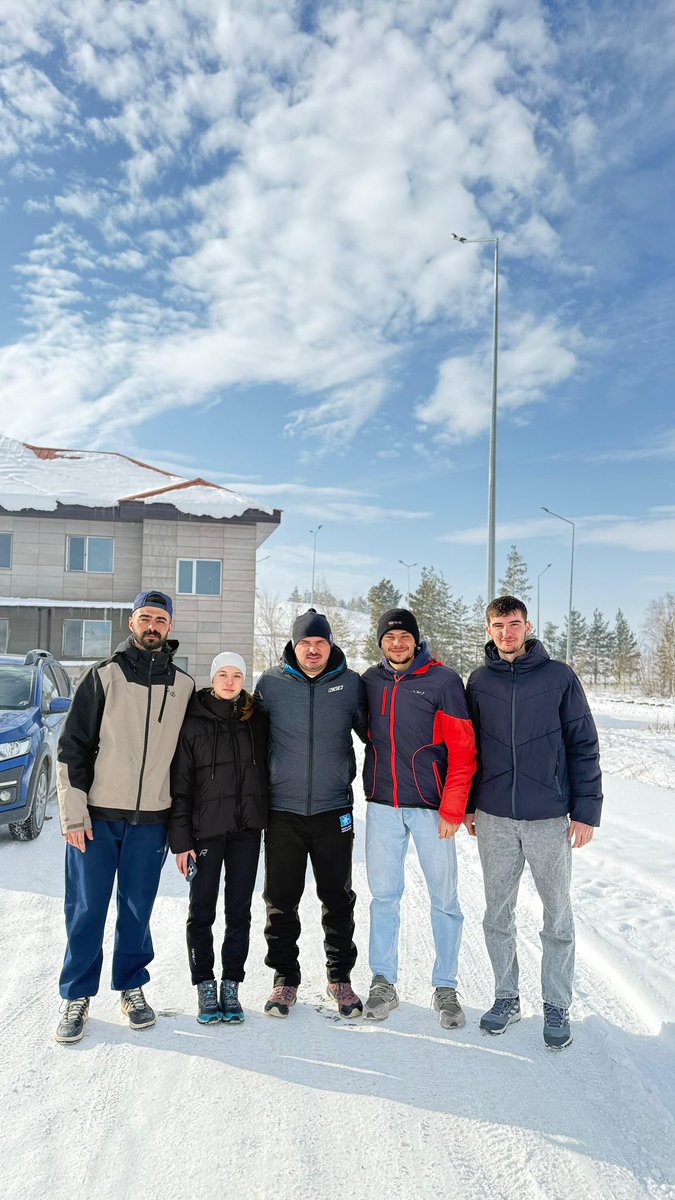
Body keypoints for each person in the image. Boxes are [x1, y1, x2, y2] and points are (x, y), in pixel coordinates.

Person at [54, 590, 194, 1044]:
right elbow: (71, 747)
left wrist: (181, 826)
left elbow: (189, 761)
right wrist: (74, 816)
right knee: (87, 908)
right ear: (131, 623)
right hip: (96, 817)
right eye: (144, 617)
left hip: (151, 821)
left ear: (169, 628)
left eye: (160, 619)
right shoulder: (104, 676)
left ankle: (131, 986)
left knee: (137, 909)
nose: (152, 625)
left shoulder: (184, 686)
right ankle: (77, 995)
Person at [465, 595, 603, 1050]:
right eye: (499, 624)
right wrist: (468, 804)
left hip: (548, 817)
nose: (507, 632)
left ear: (528, 627)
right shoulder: (479, 682)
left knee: (557, 915)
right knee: (497, 914)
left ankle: (557, 1003)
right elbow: (469, 751)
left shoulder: (559, 677)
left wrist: (586, 811)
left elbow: (583, 744)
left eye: (515, 623)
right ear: (488, 630)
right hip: (495, 817)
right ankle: (507, 997)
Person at [361, 608, 477, 1027]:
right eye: (389, 637)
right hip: (382, 806)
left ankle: (445, 986)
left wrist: (454, 808)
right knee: (384, 896)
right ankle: (383, 982)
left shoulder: (443, 682)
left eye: (404, 636)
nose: (397, 643)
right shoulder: (370, 682)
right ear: (380, 642)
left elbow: (464, 752)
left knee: (445, 899)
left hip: (432, 810)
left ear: (416, 639)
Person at [255, 608, 368, 1018]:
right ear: (294, 645)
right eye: (306, 643)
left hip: (333, 809)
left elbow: (377, 735)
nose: (314, 650)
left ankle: (340, 977)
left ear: (331, 645)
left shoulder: (351, 684)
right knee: (280, 900)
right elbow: (250, 739)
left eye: (320, 643)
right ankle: (285, 979)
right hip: (282, 810)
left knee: (337, 897)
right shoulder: (270, 684)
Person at [169, 652, 269, 1024]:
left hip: (246, 831)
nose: (230, 681)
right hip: (205, 832)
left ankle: (231, 985)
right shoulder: (192, 722)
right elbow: (179, 786)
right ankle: (204, 986)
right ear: (212, 678)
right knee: (202, 912)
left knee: (239, 911)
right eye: (223, 674)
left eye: (237, 675)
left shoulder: (256, 720)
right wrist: (181, 841)